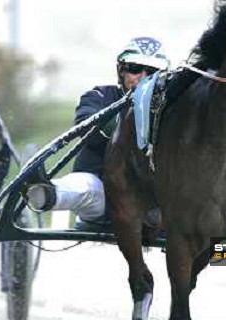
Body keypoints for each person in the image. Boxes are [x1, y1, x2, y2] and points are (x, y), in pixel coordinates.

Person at [24, 37, 170, 224]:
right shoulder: (99, 96)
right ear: (121, 71)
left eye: (152, 72)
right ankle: (45, 194)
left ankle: (220, 252)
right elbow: (85, 125)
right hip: (103, 199)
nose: (142, 77)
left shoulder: (174, 106)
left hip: (156, 204)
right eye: (134, 69)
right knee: (85, 186)